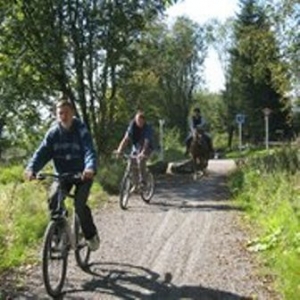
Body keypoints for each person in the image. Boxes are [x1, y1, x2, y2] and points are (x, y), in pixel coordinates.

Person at [24, 99, 100, 251]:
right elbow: (42, 153)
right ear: (56, 115)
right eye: (60, 113)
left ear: (72, 113)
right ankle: (59, 236)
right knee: (54, 199)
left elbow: (89, 150)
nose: (63, 116)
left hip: (83, 175)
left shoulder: (81, 129)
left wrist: (90, 167)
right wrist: (32, 168)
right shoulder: (53, 133)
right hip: (63, 175)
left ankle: (91, 235)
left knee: (79, 205)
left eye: (66, 112)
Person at [115, 110, 153, 188]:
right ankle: (135, 185)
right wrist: (119, 150)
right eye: (138, 121)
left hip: (147, 148)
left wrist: (143, 152)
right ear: (135, 120)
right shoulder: (132, 126)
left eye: (141, 122)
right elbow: (125, 139)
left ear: (144, 121)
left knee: (141, 160)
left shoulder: (147, 128)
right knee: (131, 162)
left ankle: (143, 181)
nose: (139, 123)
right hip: (136, 148)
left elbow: (146, 142)